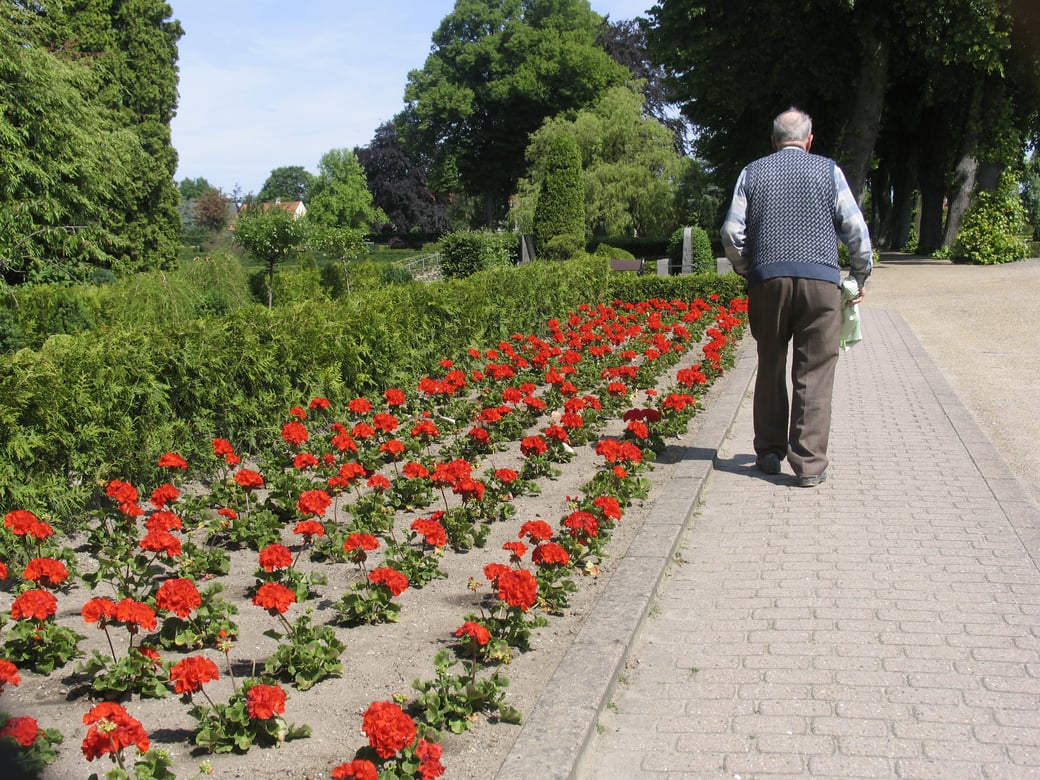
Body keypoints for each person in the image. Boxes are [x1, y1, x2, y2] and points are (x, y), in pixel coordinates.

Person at [720, 108, 872, 487]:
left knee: (770, 361)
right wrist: (858, 274)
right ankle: (808, 463)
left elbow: (730, 232)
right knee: (815, 371)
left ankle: (769, 452)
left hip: (767, 281)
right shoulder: (828, 171)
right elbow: (856, 229)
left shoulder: (751, 173)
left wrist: (748, 269)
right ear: (809, 140)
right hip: (821, 280)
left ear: (773, 141)